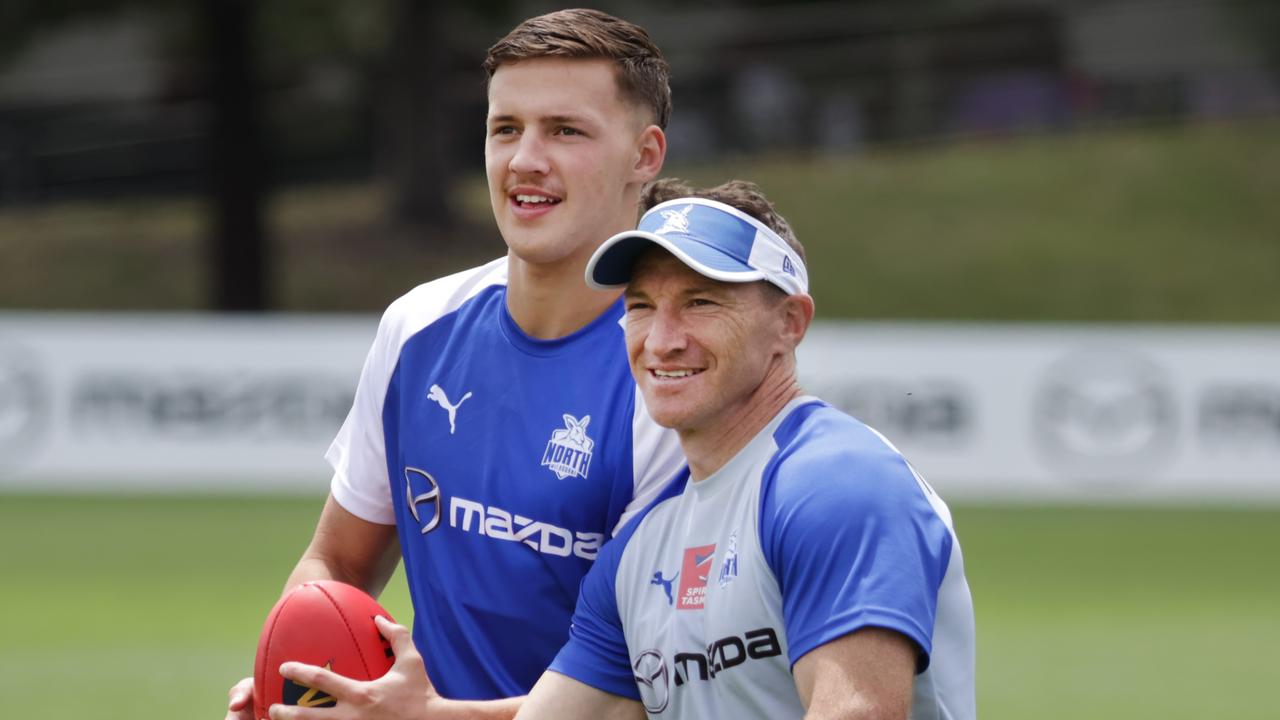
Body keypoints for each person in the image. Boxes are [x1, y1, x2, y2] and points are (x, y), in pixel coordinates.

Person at [226, 9, 685, 720]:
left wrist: (427, 717)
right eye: (506, 129)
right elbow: (337, 564)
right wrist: (294, 684)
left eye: (566, 130)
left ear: (645, 156)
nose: (525, 160)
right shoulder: (418, 327)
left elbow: (652, 689)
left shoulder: (674, 374)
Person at [514, 179, 977, 719]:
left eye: (700, 302)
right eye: (641, 305)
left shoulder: (837, 484)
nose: (662, 340)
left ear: (790, 323)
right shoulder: (636, 550)